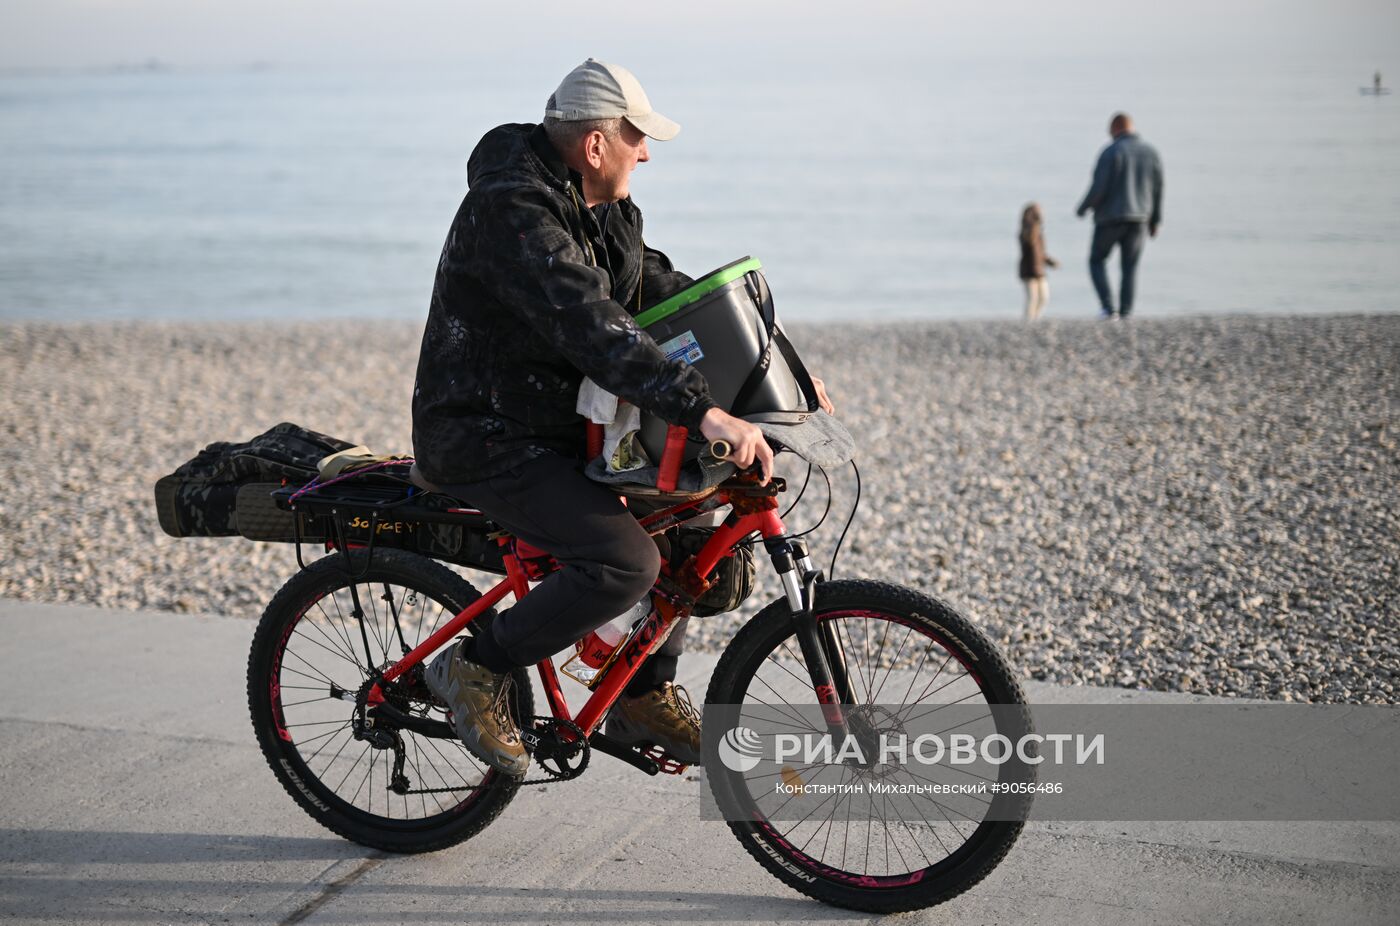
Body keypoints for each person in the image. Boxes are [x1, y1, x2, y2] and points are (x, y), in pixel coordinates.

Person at [409, 59, 832, 777]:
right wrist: (702, 411)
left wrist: (778, 364)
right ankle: (474, 667)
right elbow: (595, 325)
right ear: (595, 144)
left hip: (560, 429)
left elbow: (663, 295)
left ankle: (641, 692)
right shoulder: (513, 212)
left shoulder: (604, 210)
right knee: (624, 562)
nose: (646, 153)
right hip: (484, 435)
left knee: (700, 523)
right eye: (636, 138)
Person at [1075, 112, 1164, 318]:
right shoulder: (1151, 153)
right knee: (1130, 267)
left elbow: (1099, 188)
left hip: (1110, 219)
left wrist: (1083, 208)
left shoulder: (1110, 153)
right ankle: (1126, 312)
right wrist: (1155, 220)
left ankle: (1108, 307)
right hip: (1140, 219)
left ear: (1115, 129)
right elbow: (1158, 189)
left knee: (1096, 260)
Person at [1018, 203, 1058, 320]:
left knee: (1044, 297)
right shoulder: (1026, 232)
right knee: (1032, 298)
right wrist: (1033, 224)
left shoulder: (1039, 233)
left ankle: (1036, 318)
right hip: (1029, 271)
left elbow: (1041, 253)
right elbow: (1029, 242)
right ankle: (1028, 320)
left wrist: (1050, 262)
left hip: (1040, 270)